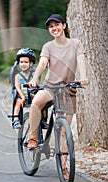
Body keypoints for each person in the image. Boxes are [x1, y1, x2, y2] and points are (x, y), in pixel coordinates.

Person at [27, 14, 89, 149]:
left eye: (57, 25)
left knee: (64, 131)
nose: (54, 28)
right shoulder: (48, 46)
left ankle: (64, 166)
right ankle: (33, 138)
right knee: (36, 103)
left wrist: (83, 76)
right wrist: (35, 78)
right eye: (51, 26)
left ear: (64, 26)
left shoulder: (76, 44)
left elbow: (81, 59)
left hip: (68, 89)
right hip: (50, 87)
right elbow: (43, 63)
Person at [12, 48, 36, 129]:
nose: (23, 64)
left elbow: (38, 85)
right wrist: (22, 97)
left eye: (26, 62)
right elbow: (17, 87)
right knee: (18, 101)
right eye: (21, 62)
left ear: (31, 64)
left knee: (41, 102)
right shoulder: (18, 76)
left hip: (32, 95)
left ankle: (43, 119)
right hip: (22, 95)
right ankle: (15, 119)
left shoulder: (33, 75)